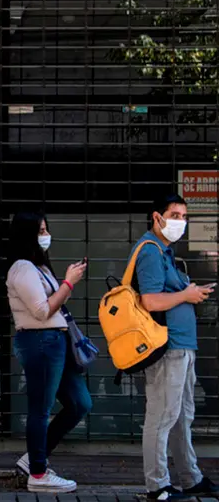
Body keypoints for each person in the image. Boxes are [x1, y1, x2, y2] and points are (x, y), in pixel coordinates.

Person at [133, 194, 219, 502]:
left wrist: (190, 292)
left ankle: (189, 478)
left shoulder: (165, 252)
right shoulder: (151, 252)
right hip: (166, 347)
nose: (180, 221)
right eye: (174, 215)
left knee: (182, 415)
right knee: (162, 416)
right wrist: (187, 295)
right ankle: (157, 486)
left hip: (182, 346)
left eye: (184, 216)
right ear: (157, 217)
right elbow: (150, 300)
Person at [5, 212, 91, 492]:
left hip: (55, 342)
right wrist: (68, 282)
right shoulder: (22, 268)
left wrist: (65, 283)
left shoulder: (38, 266)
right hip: (40, 341)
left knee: (80, 403)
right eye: (39, 230)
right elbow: (42, 311)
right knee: (40, 410)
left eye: (46, 229)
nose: (45, 235)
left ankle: (34, 460)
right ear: (26, 234)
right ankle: (39, 475)